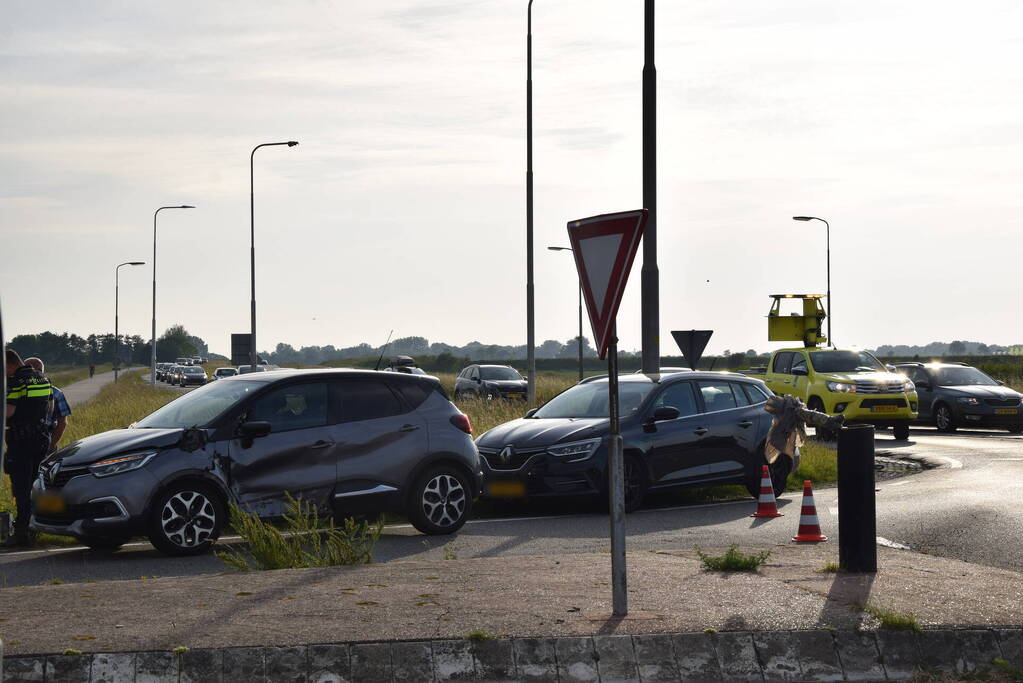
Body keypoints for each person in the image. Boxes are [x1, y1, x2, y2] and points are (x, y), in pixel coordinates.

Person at [4, 348, 53, 547]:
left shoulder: (15, 382)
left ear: (9, 364)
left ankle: (22, 532)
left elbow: (8, 412)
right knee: (36, 485)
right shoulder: (43, 379)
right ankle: (37, 528)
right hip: (41, 439)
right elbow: (50, 409)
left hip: (21, 441)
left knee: (21, 487)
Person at [24, 357, 70, 454]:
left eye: (38, 370)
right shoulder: (17, 391)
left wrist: (50, 446)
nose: (34, 373)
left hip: (45, 441)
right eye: (30, 370)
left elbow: (62, 423)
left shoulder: (56, 393)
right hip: (20, 444)